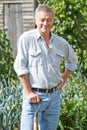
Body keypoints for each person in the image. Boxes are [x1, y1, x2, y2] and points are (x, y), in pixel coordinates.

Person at [14, 5, 78, 130]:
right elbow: (20, 67)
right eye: (42, 19)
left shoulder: (61, 43)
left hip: (54, 98)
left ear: (53, 21)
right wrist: (29, 92)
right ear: (35, 20)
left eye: (49, 20)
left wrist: (62, 82)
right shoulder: (26, 39)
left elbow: (72, 62)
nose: (45, 23)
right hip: (34, 96)